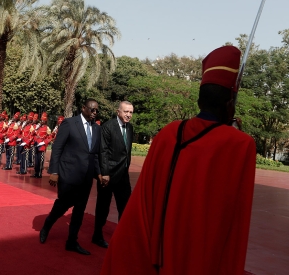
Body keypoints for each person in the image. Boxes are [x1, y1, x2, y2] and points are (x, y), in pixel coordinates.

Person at [100, 46, 256, 275]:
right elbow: (233, 229)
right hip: (197, 260)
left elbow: (143, 205)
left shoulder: (169, 133)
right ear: (229, 103)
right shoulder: (240, 145)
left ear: (200, 100)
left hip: (149, 254)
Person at [39, 98, 102, 256]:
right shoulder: (69, 123)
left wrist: (99, 173)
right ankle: (47, 225)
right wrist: (54, 172)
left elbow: (94, 154)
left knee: (79, 210)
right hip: (68, 174)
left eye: (96, 111)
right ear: (83, 108)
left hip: (86, 177)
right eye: (92, 110)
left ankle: (72, 241)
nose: (94, 113)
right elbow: (57, 148)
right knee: (63, 205)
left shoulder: (97, 129)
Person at [92, 101, 134, 248]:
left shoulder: (130, 128)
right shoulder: (108, 127)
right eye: (126, 112)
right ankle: (97, 235)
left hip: (123, 175)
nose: (128, 115)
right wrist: (104, 173)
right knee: (103, 207)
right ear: (118, 112)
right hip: (108, 175)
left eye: (130, 112)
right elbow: (103, 151)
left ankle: (122, 235)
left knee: (125, 206)